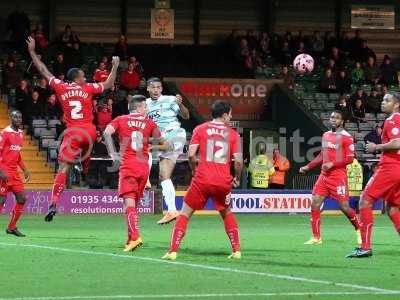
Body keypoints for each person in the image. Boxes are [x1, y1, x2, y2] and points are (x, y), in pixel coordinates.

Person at [26, 36, 120, 222]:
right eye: (83, 76)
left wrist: (31, 51)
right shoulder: (88, 88)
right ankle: (85, 170)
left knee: (63, 167)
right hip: (90, 131)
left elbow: (43, 70)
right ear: (78, 78)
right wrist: (115, 66)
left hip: (73, 131)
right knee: (88, 149)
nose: (85, 78)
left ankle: (54, 202)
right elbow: (109, 84)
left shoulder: (61, 87)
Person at [162, 101, 243, 261]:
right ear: (225, 115)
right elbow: (238, 161)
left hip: (202, 179)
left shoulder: (200, 129)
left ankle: (172, 251)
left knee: (185, 213)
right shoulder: (233, 134)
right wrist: (237, 178)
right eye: (231, 114)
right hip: (223, 181)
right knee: (226, 212)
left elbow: (191, 155)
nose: (231, 117)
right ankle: (237, 251)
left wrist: (193, 170)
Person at [103, 95, 169, 252]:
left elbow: (106, 133)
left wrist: (112, 153)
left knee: (129, 203)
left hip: (129, 165)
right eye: (145, 106)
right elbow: (165, 144)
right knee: (132, 204)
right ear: (139, 107)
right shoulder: (150, 123)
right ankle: (129, 239)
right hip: (144, 167)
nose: (146, 109)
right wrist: (151, 147)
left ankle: (135, 237)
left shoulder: (120, 119)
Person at [346, 93, 400, 258]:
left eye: (387, 100)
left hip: (391, 167)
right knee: (393, 208)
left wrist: (377, 147)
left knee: (365, 200)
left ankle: (365, 247)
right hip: (397, 167)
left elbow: (398, 142)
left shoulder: (393, 120)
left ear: (396, 104)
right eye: (383, 100)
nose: (383, 103)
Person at [300, 110, 361, 245]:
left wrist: (332, 163)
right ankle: (316, 237)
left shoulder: (347, 137)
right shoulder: (326, 135)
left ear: (342, 121)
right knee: (315, 203)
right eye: (332, 117)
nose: (333, 119)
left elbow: (350, 159)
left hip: (338, 177)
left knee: (344, 207)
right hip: (324, 176)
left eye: (337, 118)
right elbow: (322, 155)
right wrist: (308, 166)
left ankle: (359, 229)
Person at [146, 77, 190, 225]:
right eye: (153, 87)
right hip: (164, 138)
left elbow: (185, 115)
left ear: (161, 89)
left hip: (174, 132)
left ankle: (144, 179)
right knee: (163, 175)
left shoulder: (170, 99)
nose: (156, 90)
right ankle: (172, 210)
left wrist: (181, 104)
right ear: (148, 89)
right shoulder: (145, 105)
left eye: (158, 87)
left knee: (143, 146)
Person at [0, 111, 30, 237]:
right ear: (10, 118)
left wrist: (25, 169)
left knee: (22, 199)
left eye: (20, 117)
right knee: (1, 200)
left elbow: (17, 155)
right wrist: (1, 171)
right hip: (4, 172)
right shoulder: (4, 133)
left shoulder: (21, 134)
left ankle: (11, 227)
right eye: (15, 117)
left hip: (15, 174)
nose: (18, 119)